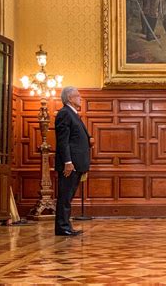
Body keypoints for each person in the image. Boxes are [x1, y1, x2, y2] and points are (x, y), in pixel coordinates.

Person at [55, 87, 94, 236]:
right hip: (70, 165)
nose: (81, 98)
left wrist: (88, 140)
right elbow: (63, 141)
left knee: (68, 196)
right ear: (70, 98)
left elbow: (75, 137)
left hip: (76, 163)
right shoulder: (65, 113)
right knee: (65, 196)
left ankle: (65, 226)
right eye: (78, 96)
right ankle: (62, 227)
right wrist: (67, 162)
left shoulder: (73, 114)